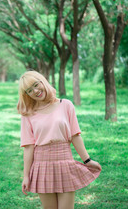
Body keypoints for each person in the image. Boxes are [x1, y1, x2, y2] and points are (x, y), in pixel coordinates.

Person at [18, 70, 102, 209]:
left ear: (42, 81)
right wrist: (26, 176)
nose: (35, 91)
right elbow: (28, 147)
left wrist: (87, 160)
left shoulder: (66, 105)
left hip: (65, 162)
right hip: (41, 165)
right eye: (29, 90)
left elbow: (75, 136)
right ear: (27, 95)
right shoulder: (28, 114)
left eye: (36, 85)